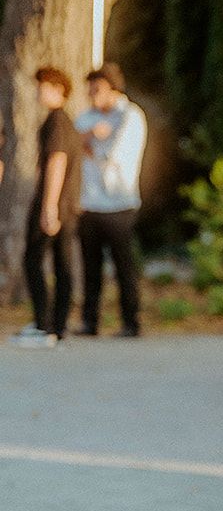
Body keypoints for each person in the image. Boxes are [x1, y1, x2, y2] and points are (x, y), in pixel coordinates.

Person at [75, 62, 147, 338]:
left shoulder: (130, 116)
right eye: (90, 90)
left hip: (119, 203)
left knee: (123, 266)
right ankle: (89, 321)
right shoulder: (87, 118)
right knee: (90, 267)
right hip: (90, 201)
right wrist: (90, 137)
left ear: (113, 89)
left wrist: (90, 145)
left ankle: (131, 321)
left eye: (98, 89)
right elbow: (73, 142)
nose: (92, 94)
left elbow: (115, 157)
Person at [14, 66, 83, 349]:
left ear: (58, 89)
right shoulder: (66, 122)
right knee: (62, 262)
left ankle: (45, 323)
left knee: (33, 259)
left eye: (43, 86)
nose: (38, 92)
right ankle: (58, 324)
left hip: (54, 202)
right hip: (68, 204)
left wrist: (49, 205)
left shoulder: (56, 121)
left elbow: (57, 161)